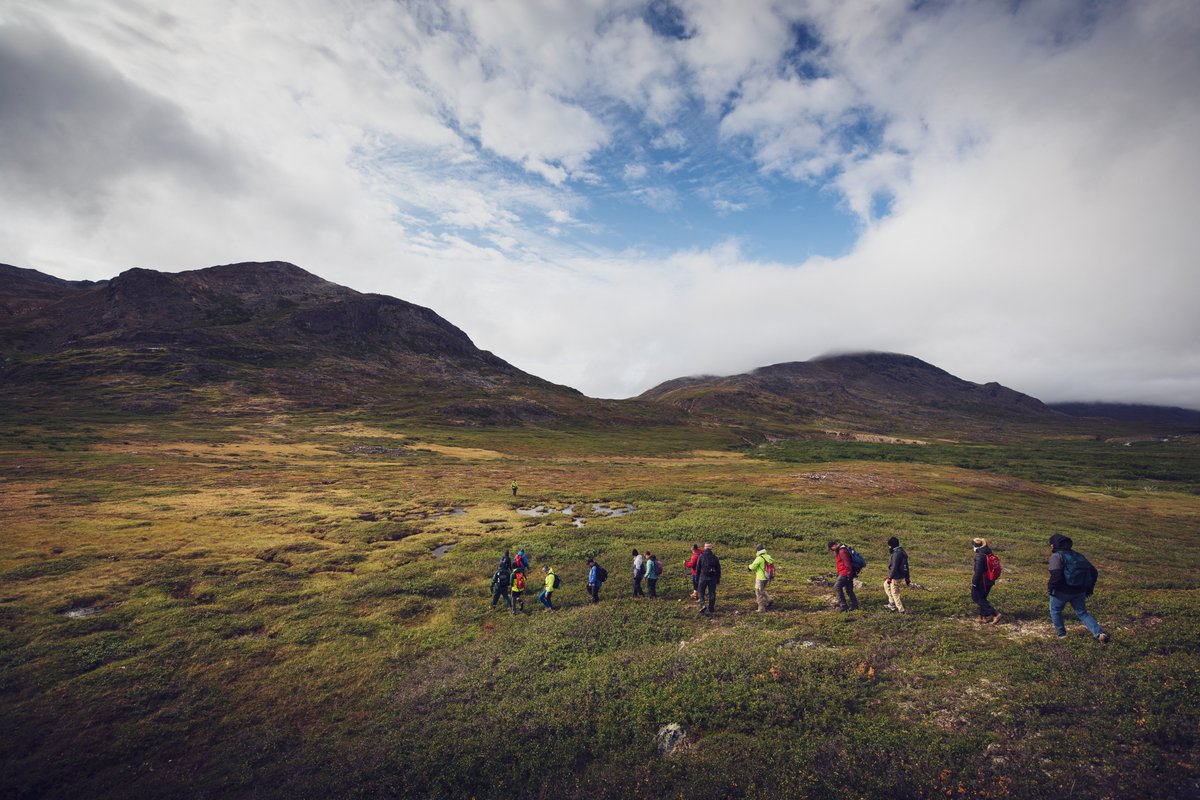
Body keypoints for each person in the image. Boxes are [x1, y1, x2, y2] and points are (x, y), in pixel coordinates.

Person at [1048, 534, 1108, 641]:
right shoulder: (1077, 555)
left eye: (1051, 544)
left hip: (1062, 591)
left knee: (1055, 611)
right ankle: (1099, 633)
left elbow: (1056, 575)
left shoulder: (1056, 556)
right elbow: (1093, 572)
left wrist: (1051, 587)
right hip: (1079, 590)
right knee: (1082, 613)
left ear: (1054, 545)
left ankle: (1062, 634)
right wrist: (1089, 588)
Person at [971, 538, 1002, 624]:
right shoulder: (988, 552)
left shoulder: (980, 555)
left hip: (982, 580)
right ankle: (982, 617)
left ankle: (995, 614)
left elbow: (978, 571)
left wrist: (974, 582)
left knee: (976, 597)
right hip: (990, 579)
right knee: (982, 597)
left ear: (975, 546)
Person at [828, 540, 859, 612]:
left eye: (831, 549)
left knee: (837, 587)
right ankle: (855, 605)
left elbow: (847, 564)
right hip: (848, 573)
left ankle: (843, 605)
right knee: (849, 590)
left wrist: (848, 575)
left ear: (834, 546)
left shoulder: (842, 551)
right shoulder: (843, 549)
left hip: (845, 573)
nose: (832, 551)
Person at [884, 536, 910, 613]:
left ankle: (901, 609)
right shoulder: (902, 551)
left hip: (896, 576)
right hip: (901, 574)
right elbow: (906, 565)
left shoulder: (896, 553)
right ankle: (891, 603)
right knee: (886, 585)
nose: (888, 547)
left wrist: (890, 577)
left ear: (892, 545)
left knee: (895, 592)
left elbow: (894, 566)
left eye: (889, 545)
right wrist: (907, 577)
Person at [748, 544, 774, 612]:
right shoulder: (768, 556)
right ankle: (769, 599)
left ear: (757, 551)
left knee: (758, 592)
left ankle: (761, 608)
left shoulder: (759, 558)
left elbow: (753, 566)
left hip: (760, 577)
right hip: (767, 577)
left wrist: (749, 567)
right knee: (761, 590)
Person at [696, 543, 721, 614]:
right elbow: (718, 569)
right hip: (712, 578)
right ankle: (711, 609)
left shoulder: (701, 556)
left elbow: (698, 568)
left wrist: (697, 578)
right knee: (712, 593)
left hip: (703, 577)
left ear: (704, 548)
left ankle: (703, 605)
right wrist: (718, 579)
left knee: (700, 592)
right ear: (711, 548)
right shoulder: (715, 557)